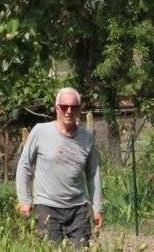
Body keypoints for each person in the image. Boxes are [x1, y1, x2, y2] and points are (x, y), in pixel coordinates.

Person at [15, 87, 104, 247]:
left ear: (79, 110)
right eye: (64, 107)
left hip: (78, 209)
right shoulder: (40, 132)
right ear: (57, 108)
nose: (69, 111)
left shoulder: (87, 138)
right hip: (47, 207)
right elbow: (24, 166)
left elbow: (93, 175)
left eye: (73, 107)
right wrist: (25, 200)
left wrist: (97, 208)